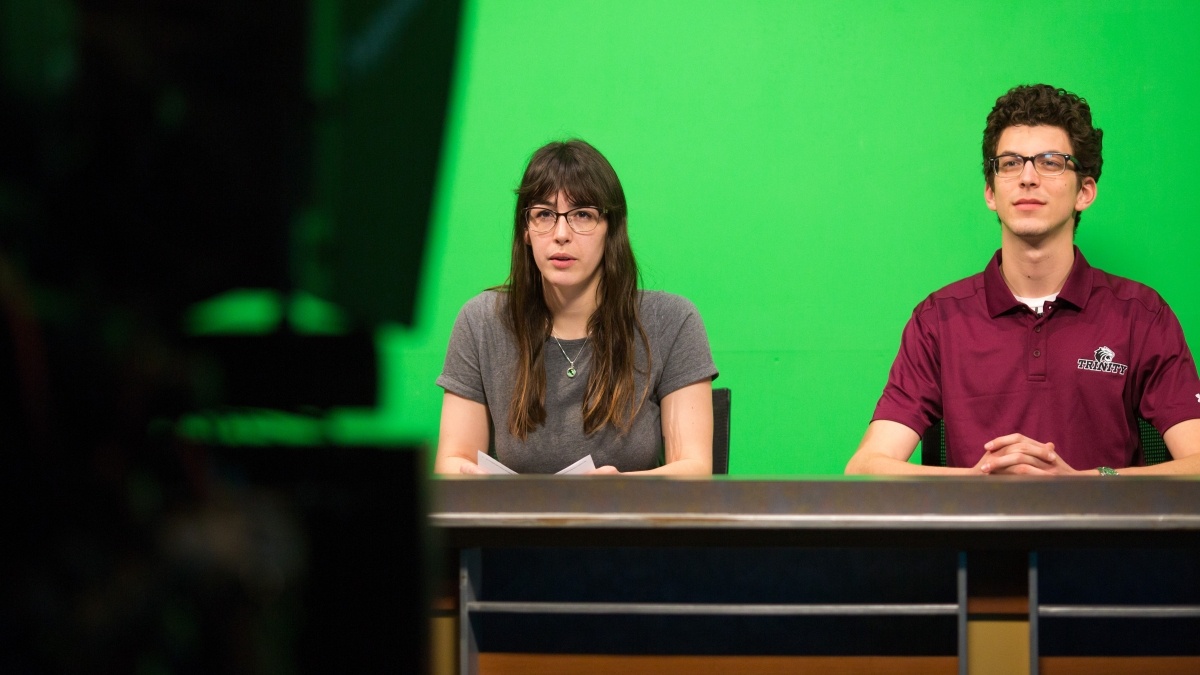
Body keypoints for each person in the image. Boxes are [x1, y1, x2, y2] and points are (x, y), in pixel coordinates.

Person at [846, 84, 1200, 476]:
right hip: (977, 537)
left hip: (1096, 537)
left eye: (1050, 162)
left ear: (1085, 191)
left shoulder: (1141, 315)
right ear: (991, 192)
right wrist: (980, 483)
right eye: (1011, 163)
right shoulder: (938, 321)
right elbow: (866, 468)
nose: (1027, 177)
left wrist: (1086, 485)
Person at [434, 139, 718, 475]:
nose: (561, 234)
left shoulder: (673, 321)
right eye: (544, 215)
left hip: (625, 523)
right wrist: (471, 477)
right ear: (525, 230)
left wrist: (621, 491)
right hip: (518, 525)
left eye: (582, 214)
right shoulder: (481, 321)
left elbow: (695, 469)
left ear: (611, 228)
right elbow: (453, 460)